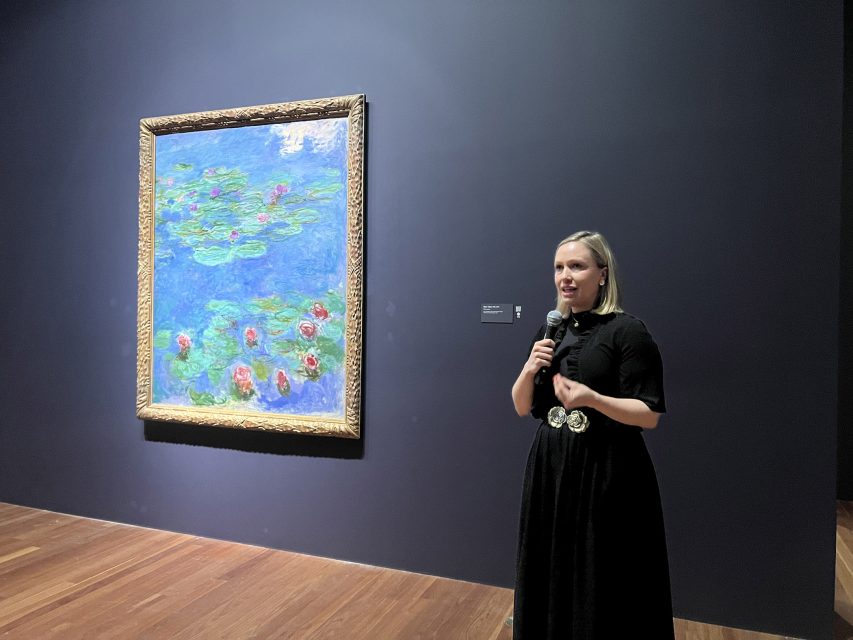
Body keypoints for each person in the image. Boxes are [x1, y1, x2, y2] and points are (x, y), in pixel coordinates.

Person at [511, 230, 674, 639]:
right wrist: (529, 369)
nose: (566, 276)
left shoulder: (628, 332)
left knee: (600, 569)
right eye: (559, 267)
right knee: (550, 563)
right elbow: (520, 405)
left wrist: (592, 399)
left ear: (602, 274)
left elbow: (649, 414)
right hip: (551, 465)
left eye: (577, 266)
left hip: (605, 469)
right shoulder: (550, 331)